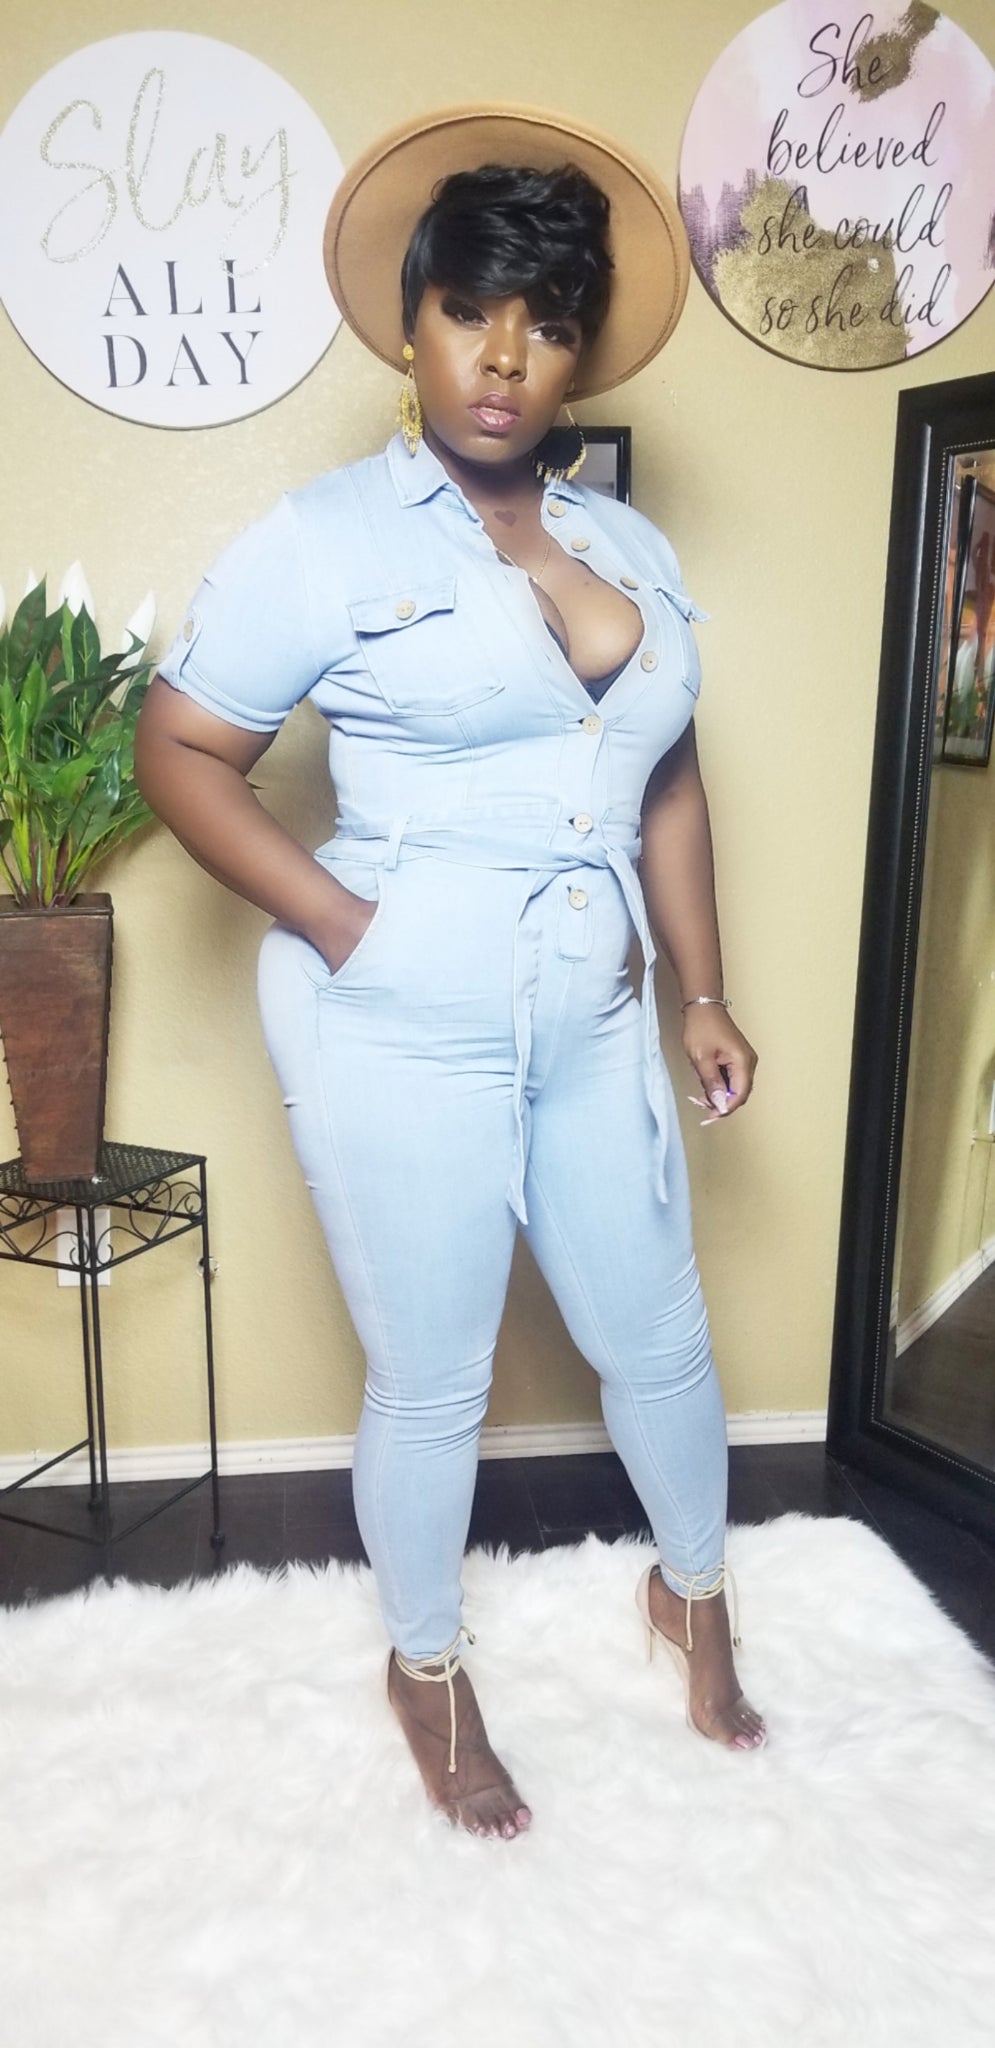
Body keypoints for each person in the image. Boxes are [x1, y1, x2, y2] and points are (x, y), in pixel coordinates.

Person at [135, 103, 767, 1844]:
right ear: (413, 320)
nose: (503, 359)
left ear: (578, 353)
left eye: (545, 325)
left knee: (659, 1332)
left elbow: (665, 777)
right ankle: (427, 1671)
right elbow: (179, 750)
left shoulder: (630, 548)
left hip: (594, 1000)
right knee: (437, 1375)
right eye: (469, 311)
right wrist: (349, 927)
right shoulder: (327, 536)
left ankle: (695, 1601)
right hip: (399, 1009)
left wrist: (703, 988)